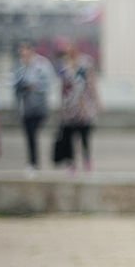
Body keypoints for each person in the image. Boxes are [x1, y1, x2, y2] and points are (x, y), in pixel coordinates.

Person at [56, 41, 101, 173]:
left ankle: (87, 161)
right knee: (69, 137)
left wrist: (97, 101)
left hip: (84, 107)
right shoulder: (64, 66)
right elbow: (63, 88)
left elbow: (92, 83)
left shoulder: (86, 63)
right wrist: (61, 106)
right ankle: (71, 164)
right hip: (70, 108)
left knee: (85, 136)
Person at [13, 41, 54, 175]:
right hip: (25, 107)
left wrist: (34, 86)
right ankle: (33, 163)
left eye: (25, 50)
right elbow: (15, 85)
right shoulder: (20, 66)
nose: (23, 53)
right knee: (29, 135)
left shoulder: (42, 64)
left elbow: (47, 83)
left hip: (39, 107)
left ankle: (34, 162)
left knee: (32, 133)